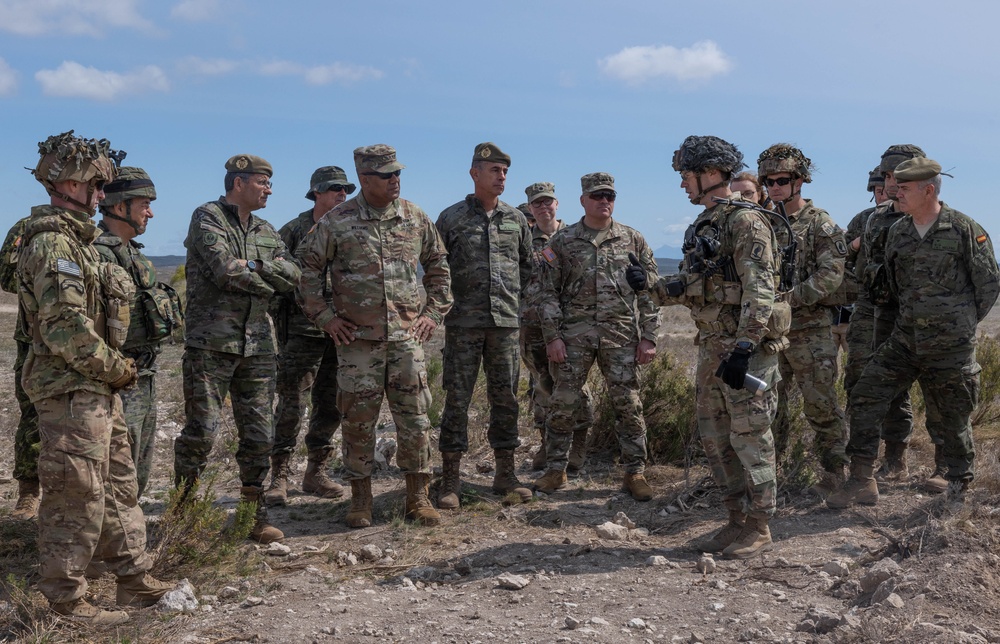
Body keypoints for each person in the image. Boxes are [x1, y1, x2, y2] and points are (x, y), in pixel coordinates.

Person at [17, 131, 172, 624]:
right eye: (96, 186)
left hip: (96, 387)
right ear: (68, 183)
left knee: (119, 485)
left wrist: (111, 375)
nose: (103, 197)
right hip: (70, 388)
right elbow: (63, 326)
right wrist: (118, 368)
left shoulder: (78, 243)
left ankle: (132, 577)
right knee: (75, 492)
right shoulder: (52, 244)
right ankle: (65, 598)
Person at [627, 135, 786, 558]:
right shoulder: (703, 225)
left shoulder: (746, 222)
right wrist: (653, 286)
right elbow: (700, 287)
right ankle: (735, 519)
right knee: (716, 438)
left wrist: (744, 347)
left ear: (711, 174)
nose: (683, 185)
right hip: (711, 347)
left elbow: (760, 289)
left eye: (687, 176)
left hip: (743, 351)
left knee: (751, 436)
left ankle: (760, 524)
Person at [828, 158, 999, 508]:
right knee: (865, 394)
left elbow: (988, 284)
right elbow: (892, 285)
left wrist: (958, 323)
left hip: (950, 346)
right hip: (905, 340)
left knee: (953, 414)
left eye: (904, 188)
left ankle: (958, 487)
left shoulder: (964, 229)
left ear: (929, 190)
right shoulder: (898, 232)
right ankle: (861, 478)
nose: (895, 192)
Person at [297, 144, 452, 528]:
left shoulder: (415, 217)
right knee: (358, 421)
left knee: (415, 420)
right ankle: (360, 501)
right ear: (365, 179)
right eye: (386, 175)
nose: (395, 180)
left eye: (398, 173)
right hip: (357, 345)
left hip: (406, 342)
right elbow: (306, 270)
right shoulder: (337, 220)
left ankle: (418, 497)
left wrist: (432, 313)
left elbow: (439, 267)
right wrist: (326, 318)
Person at [174, 154, 300, 544]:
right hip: (212, 343)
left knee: (260, 435)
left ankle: (253, 513)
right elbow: (224, 269)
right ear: (239, 182)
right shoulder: (207, 217)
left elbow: (293, 275)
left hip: (258, 346)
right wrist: (268, 273)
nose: (269, 190)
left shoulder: (265, 228)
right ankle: (183, 511)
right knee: (202, 433)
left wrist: (256, 267)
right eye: (262, 182)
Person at [532, 173, 658, 501]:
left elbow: (650, 291)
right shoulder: (563, 241)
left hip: (621, 337)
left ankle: (635, 472)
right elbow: (548, 293)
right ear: (583, 200)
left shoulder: (633, 239)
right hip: (574, 337)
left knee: (628, 406)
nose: (605, 201)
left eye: (610, 196)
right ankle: (556, 470)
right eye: (597, 195)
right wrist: (553, 337)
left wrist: (649, 337)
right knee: (562, 404)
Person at [435, 143, 533, 508]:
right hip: (463, 323)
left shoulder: (516, 219)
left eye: (505, 171)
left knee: (505, 398)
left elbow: (528, 267)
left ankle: (505, 474)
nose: (502, 177)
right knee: (457, 399)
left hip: (505, 324)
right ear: (475, 173)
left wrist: (521, 309)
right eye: (494, 170)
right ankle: (450, 480)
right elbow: (435, 268)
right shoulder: (451, 218)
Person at [757, 144, 848, 495]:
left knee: (821, 405)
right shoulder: (766, 222)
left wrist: (788, 300)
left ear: (800, 182)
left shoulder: (820, 224)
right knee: (767, 406)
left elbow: (830, 275)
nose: (775, 186)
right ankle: (770, 476)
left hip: (810, 331)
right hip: (771, 333)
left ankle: (835, 474)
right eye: (769, 181)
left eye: (782, 180)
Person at [264, 166, 356, 506]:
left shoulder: (349, 229)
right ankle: (280, 476)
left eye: (345, 189)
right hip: (302, 333)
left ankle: (316, 472)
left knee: (331, 405)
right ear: (316, 192)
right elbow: (277, 280)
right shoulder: (293, 230)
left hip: (342, 331)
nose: (341, 195)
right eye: (334, 189)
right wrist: (283, 322)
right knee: (292, 404)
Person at [94, 167, 183, 497]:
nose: (151, 212)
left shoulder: (133, 254)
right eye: (144, 204)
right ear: (119, 207)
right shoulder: (99, 254)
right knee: (116, 468)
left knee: (137, 468)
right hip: (117, 379)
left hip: (143, 375)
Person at [852, 145, 925, 483]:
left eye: (897, 177)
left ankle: (904, 457)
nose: (890, 184)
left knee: (918, 388)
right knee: (865, 383)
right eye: (887, 177)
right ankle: (870, 463)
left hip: (916, 316)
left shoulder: (931, 220)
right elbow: (855, 266)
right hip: (874, 313)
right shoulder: (872, 219)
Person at [520, 182, 594, 472]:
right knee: (541, 384)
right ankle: (547, 443)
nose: (543, 207)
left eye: (547, 201)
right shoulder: (526, 239)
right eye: (536, 203)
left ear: (557, 204)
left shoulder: (573, 236)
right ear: (529, 208)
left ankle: (578, 444)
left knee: (575, 384)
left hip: (569, 322)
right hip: (532, 323)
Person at [1, 215, 41, 520]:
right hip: (34, 336)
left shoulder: (100, 226)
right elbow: (5, 276)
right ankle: (29, 493)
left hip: (88, 337)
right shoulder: (30, 225)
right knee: (32, 415)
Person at [831, 168, 884, 356]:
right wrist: (856, 244)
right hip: (864, 302)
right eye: (879, 191)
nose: (884, 196)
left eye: (887, 190)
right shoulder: (863, 219)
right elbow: (839, 257)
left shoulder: (911, 220)